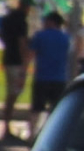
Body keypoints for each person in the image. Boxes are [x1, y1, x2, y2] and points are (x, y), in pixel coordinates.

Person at [30, 8, 73, 136]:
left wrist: (23, 73)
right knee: (55, 109)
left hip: (42, 77)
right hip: (60, 78)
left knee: (36, 108)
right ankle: (50, 134)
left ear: (51, 22)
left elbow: (31, 55)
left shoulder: (40, 36)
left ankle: (32, 134)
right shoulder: (66, 38)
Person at [0, 0, 33, 144]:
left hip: (7, 58)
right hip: (16, 61)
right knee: (13, 94)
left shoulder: (7, 19)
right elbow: (22, 42)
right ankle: (6, 127)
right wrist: (25, 63)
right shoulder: (21, 21)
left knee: (10, 94)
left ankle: (6, 125)